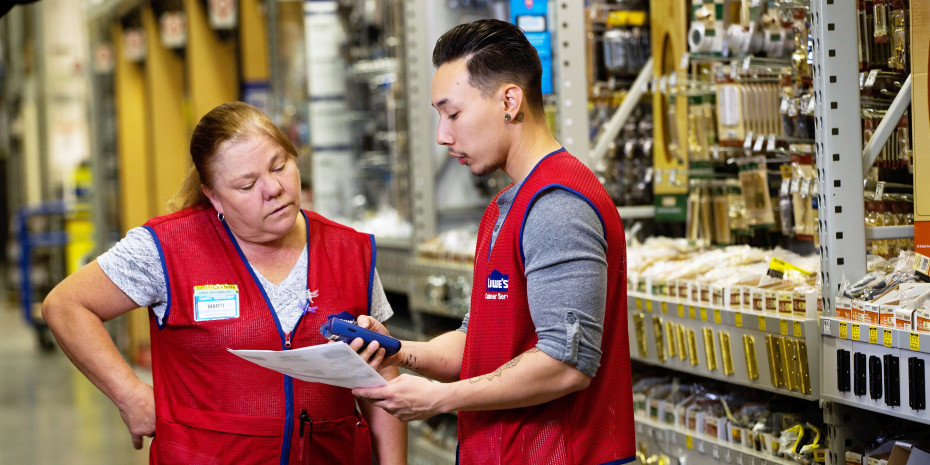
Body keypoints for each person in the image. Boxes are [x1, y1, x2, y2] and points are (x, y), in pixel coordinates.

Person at [42, 102, 406, 464]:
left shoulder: (348, 249)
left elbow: (380, 374)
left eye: (280, 166)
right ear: (213, 195)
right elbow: (66, 305)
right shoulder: (167, 248)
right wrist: (130, 395)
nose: (273, 188)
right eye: (246, 185)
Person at [352, 19, 636, 465]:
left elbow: (566, 365)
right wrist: (399, 351)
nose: (443, 135)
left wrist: (439, 399)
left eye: (453, 113)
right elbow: (479, 340)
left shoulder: (557, 205)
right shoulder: (506, 206)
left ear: (509, 100)